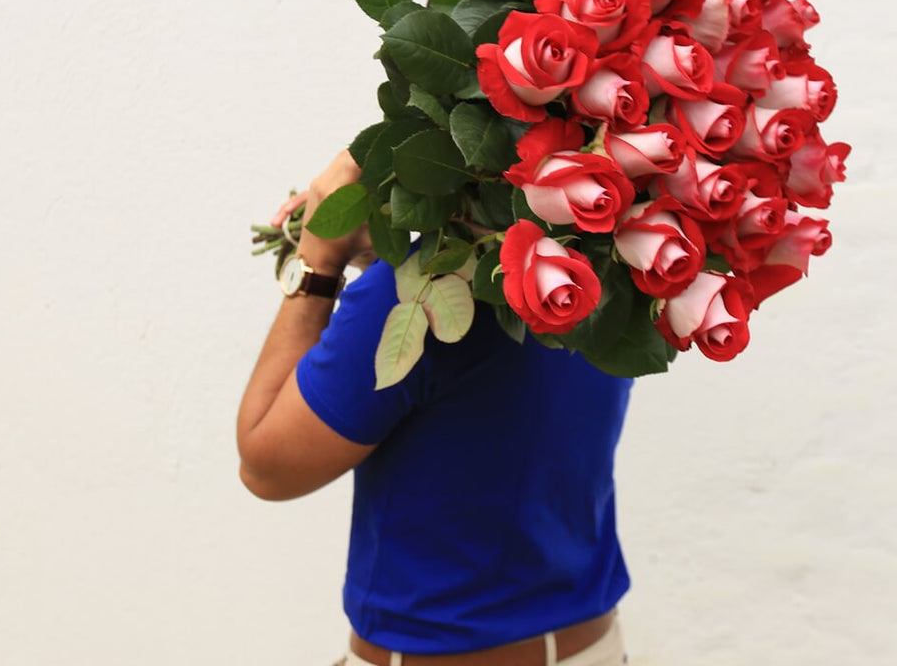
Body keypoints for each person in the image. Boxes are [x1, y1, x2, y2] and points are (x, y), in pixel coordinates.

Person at [237, 150, 633, 665]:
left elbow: (266, 467)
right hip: (595, 647)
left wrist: (316, 259)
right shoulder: (613, 268)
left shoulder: (413, 297)